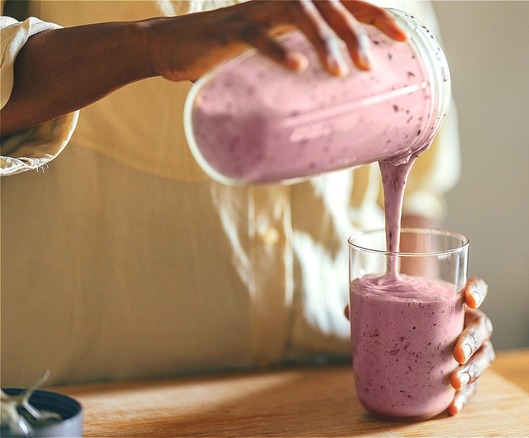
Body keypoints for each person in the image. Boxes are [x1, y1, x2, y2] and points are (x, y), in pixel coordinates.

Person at [0, 0, 493, 416]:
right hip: (79, 409)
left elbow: (416, 198)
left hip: (325, 404)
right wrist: (151, 44)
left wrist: (429, 342)